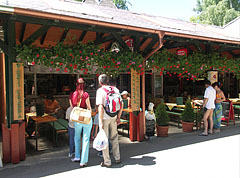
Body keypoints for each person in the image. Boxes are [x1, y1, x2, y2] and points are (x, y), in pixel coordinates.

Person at [96, 74, 123, 167]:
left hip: (104, 118)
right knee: (114, 138)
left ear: (100, 82)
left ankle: (107, 162)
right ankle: (117, 157)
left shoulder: (100, 91)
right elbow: (121, 104)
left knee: (105, 139)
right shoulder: (115, 89)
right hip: (114, 116)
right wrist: (118, 117)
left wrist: (100, 121)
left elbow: (100, 106)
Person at [71, 78, 92, 168]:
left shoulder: (72, 95)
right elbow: (89, 107)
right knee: (86, 139)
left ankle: (77, 156)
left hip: (77, 119)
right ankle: (83, 161)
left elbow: (72, 108)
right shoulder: (86, 94)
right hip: (85, 118)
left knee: (77, 137)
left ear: (76, 84)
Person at [66, 92, 74, 158]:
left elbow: (67, 118)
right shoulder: (79, 108)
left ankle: (71, 152)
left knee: (71, 139)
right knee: (77, 139)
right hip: (78, 126)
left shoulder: (69, 109)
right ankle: (77, 152)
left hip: (71, 126)